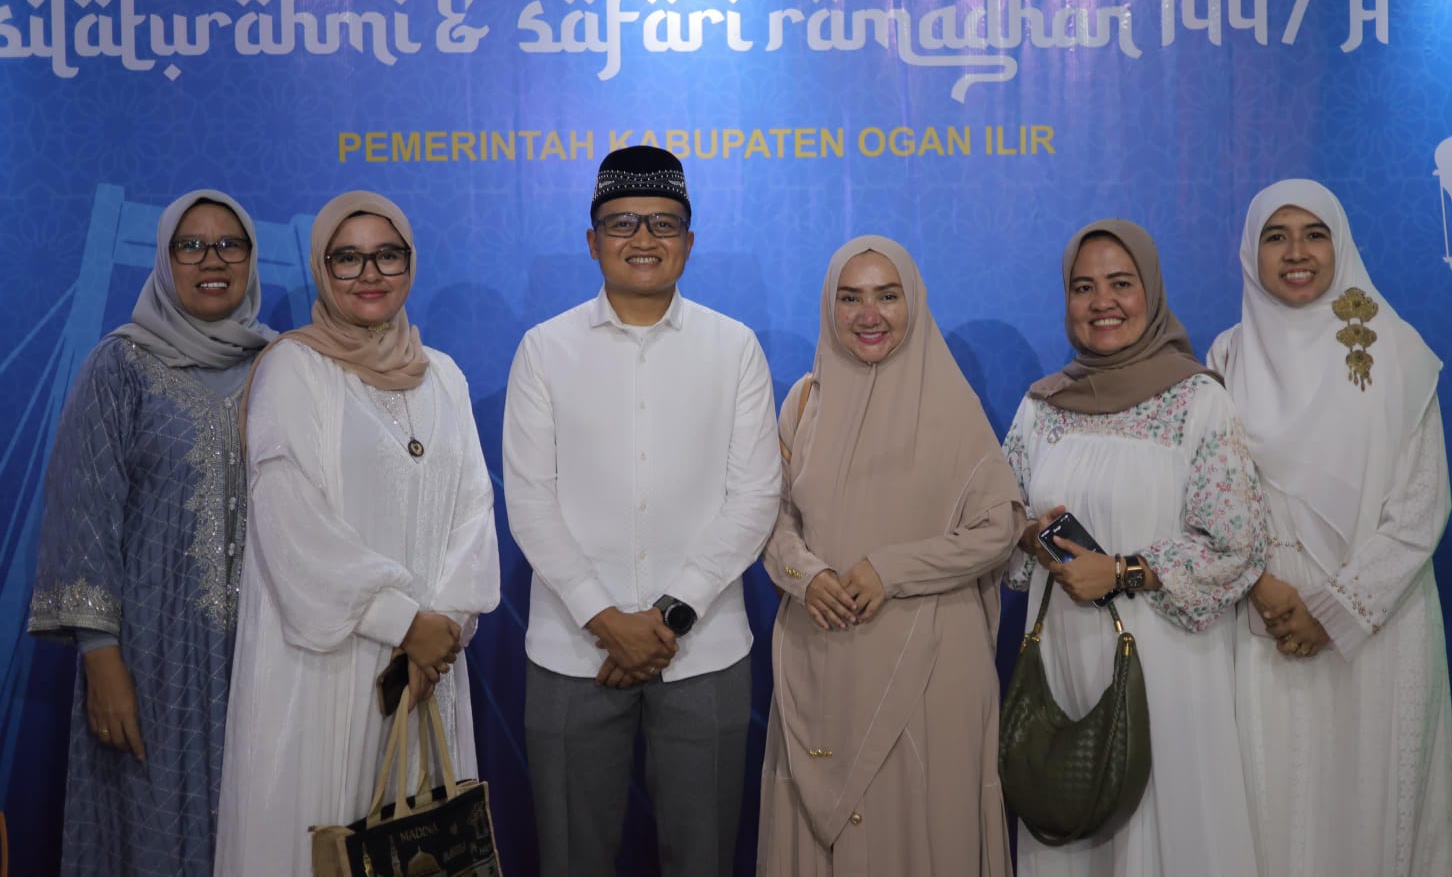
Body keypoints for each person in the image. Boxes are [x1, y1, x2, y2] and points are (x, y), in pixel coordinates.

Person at [503, 145, 782, 877]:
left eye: (663, 223)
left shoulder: (734, 347)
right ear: (592, 240)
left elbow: (755, 496)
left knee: (703, 857)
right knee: (572, 857)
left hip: (704, 650)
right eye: (622, 222)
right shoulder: (544, 350)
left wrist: (668, 618)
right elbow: (529, 500)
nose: (643, 239)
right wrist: (605, 620)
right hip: (573, 651)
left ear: (689, 241)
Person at [214, 191, 501, 876]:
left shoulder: (445, 375)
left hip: (429, 666)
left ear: (410, 263)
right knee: (324, 839)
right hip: (329, 662)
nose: (369, 273)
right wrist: (404, 623)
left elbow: (474, 508)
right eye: (347, 258)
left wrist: (445, 625)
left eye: (387, 255)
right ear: (322, 268)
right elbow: (290, 520)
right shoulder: (293, 368)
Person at [1002, 219, 1266, 877]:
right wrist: (1031, 535)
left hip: (1166, 666)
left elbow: (1237, 545)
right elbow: (998, 525)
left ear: (1150, 289)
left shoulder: (1199, 401)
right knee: (1074, 812)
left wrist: (1121, 571)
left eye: (1121, 284)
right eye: (1083, 287)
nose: (1103, 302)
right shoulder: (1042, 407)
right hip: (1065, 659)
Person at [1208, 179, 1452, 876]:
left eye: (1314, 234)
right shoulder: (1226, 358)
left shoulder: (1397, 352)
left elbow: (1421, 507)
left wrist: (1335, 612)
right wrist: (1263, 587)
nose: (1297, 252)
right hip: (1265, 620)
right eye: (1276, 236)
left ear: (1341, 245)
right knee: (1271, 807)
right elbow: (1213, 497)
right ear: (1250, 252)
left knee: (1371, 807)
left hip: (1377, 626)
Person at [757, 236, 1026, 876]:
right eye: (850, 298)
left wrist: (892, 570)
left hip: (930, 662)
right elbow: (772, 517)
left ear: (914, 302)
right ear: (829, 306)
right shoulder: (805, 402)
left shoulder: (951, 404)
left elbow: (1000, 524)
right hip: (826, 656)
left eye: (887, 296)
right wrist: (805, 575)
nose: (869, 315)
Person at [27, 189, 275, 876]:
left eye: (229, 244)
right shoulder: (121, 366)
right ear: (164, 262)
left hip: (270, 657)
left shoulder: (286, 366)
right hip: (152, 659)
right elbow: (84, 512)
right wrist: (101, 660)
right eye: (189, 246)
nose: (212, 260)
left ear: (252, 259)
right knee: (153, 835)